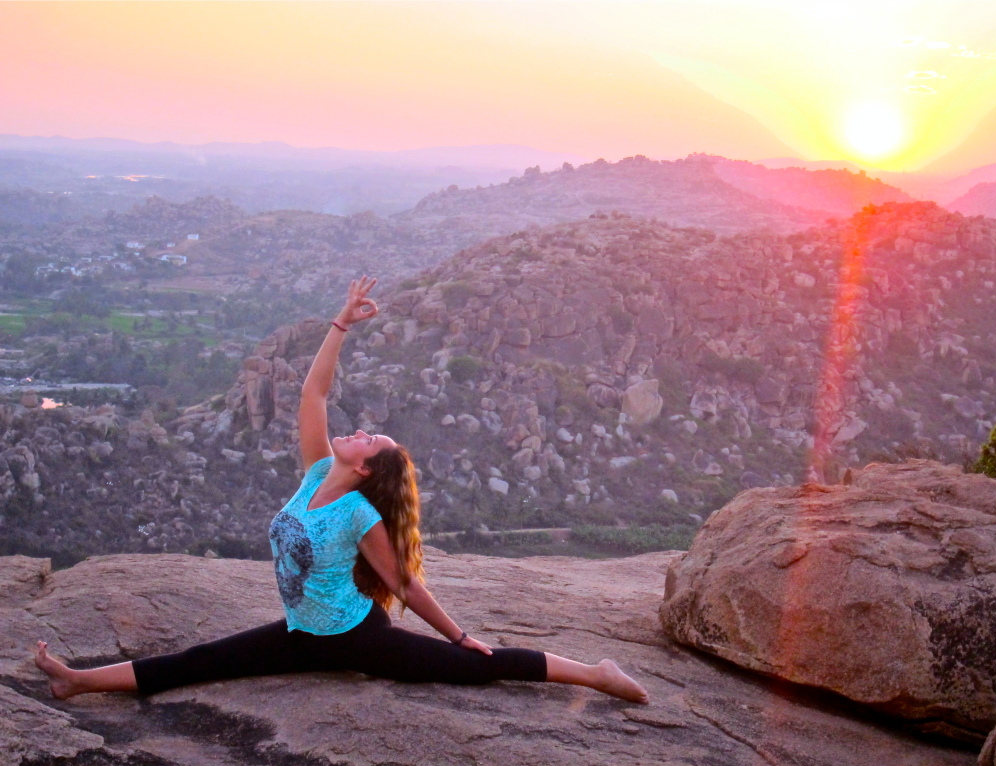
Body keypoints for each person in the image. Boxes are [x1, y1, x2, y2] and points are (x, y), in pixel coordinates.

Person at [35, 276, 649, 705]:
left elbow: (404, 583)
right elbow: (314, 396)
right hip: (303, 633)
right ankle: (78, 682)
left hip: (358, 638)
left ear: (364, 469)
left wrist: (460, 635)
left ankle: (595, 674)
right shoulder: (313, 473)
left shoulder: (358, 511)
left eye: (369, 439)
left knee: (476, 670)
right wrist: (340, 324)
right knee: (200, 662)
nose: (359, 430)